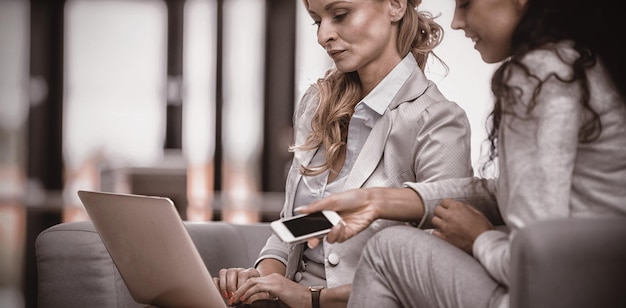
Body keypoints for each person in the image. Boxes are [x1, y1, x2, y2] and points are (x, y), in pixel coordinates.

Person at [299, 0, 626, 307]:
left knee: (388, 249)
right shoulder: (582, 62)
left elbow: (533, 264)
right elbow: (512, 191)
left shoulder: (541, 74)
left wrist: (480, 239)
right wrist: (383, 201)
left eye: (466, 3)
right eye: (316, 21)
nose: (456, 22)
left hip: (556, 295)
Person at [214, 0, 474, 307]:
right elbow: (293, 230)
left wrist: (312, 298)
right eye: (316, 21)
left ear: (395, 5)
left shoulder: (437, 121)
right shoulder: (317, 105)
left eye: (340, 15)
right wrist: (259, 281)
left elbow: (433, 274)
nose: (323, 35)